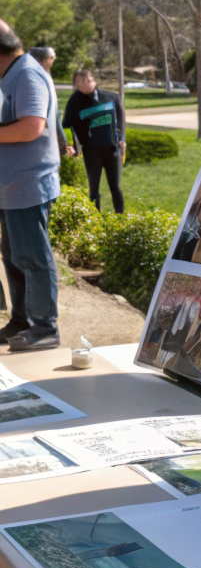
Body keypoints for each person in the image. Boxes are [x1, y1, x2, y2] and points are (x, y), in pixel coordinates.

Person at [0, 25, 61, 350]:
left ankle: (45, 328)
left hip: (28, 184)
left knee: (33, 258)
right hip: (12, 187)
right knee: (14, 256)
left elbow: (31, 126)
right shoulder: (14, 72)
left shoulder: (26, 74)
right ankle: (22, 320)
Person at [62, 68, 126, 213]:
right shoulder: (74, 102)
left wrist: (122, 140)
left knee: (115, 186)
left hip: (112, 150)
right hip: (91, 151)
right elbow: (66, 126)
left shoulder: (111, 98)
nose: (84, 84)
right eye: (79, 81)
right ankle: (95, 218)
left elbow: (121, 119)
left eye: (87, 80)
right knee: (94, 189)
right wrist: (70, 145)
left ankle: (120, 217)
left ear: (93, 81)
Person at [28, 46, 75, 158]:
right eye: (52, 58)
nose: (53, 61)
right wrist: (62, 141)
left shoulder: (40, 75)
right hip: (40, 134)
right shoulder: (38, 78)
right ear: (45, 59)